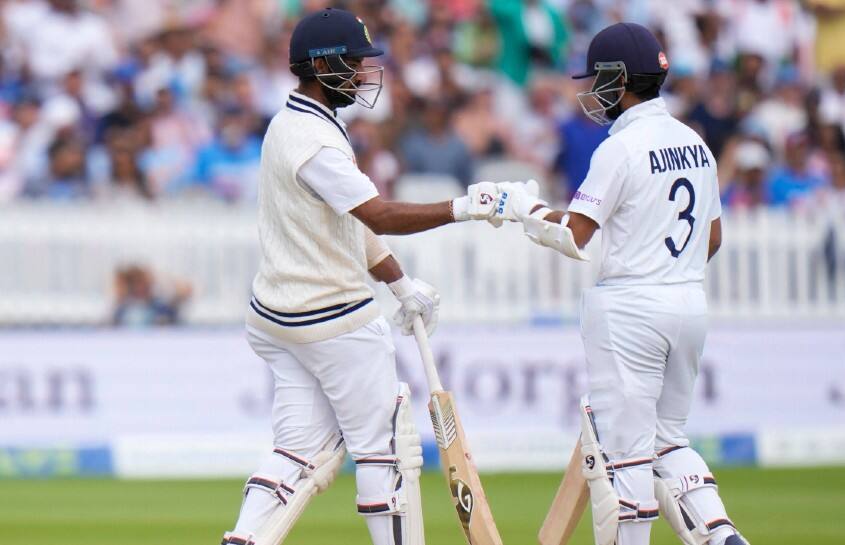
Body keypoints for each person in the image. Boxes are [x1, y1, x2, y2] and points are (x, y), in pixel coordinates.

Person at [220, 9, 504, 545]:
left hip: (278, 318)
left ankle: (243, 539)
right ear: (322, 66)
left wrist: (400, 283)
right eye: (352, 63)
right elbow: (378, 215)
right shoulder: (317, 141)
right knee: (386, 449)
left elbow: (350, 221)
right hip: (333, 317)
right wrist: (467, 206)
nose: (362, 74)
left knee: (296, 450)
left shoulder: (293, 123)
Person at [495, 22, 748, 545]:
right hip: (689, 304)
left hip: (631, 309)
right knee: (668, 442)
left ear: (618, 79)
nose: (591, 91)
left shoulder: (621, 148)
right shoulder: (694, 143)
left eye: (597, 79)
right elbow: (714, 237)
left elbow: (575, 237)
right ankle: (721, 534)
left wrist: (524, 209)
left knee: (626, 455)